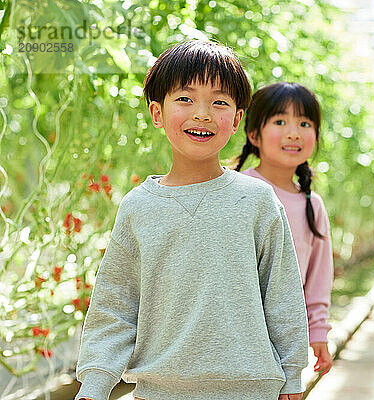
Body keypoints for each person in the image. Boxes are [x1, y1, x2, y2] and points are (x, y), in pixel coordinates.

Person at [74, 40, 308, 400]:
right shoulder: (139, 207)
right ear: (157, 113)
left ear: (237, 120)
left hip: (251, 390)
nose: (203, 114)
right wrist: (95, 383)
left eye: (219, 102)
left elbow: (282, 295)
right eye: (185, 99)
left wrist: (292, 374)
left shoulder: (257, 200)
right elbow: (116, 304)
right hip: (160, 391)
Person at [235, 82, 334, 376]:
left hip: (282, 345)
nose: (293, 132)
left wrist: (318, 332)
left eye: (304, 123)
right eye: (280, 121)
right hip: (232, 336)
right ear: (254, 134)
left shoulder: (312, 205)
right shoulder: (235, 192)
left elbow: (318, 277)